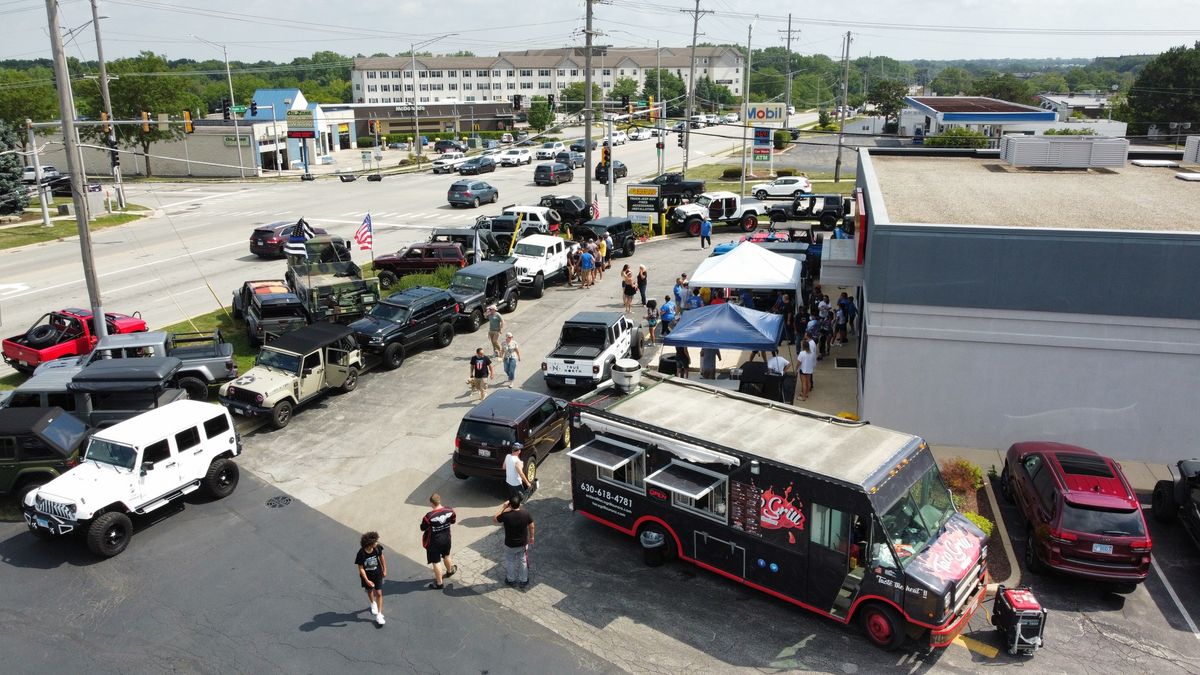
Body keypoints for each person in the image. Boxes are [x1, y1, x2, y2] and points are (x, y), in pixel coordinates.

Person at [494, 497, 535, 588]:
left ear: (510, 505)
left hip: (510, 544)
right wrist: (532, 537)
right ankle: (523, 580)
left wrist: (503, 508)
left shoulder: (506, 515)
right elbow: (531, 526)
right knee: (522, 561)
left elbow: (494, 519)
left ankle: (510, 580)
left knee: (510, 561)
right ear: (519, 504)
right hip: (522, 544)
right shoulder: (525, 514)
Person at [420, 494, 457, 590]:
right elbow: (453, 521)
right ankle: (450, 571)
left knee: (436, 562)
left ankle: (439, 583)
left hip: (434, 542)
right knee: (447, 555)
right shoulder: (450, 511)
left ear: (432, 503)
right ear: (440, 501)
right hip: (446, 538)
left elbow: (422, 528)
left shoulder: (429, 516)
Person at [355, 531, 388, 625]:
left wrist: (384, 570)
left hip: (377, 574)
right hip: (367, 576)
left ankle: (379, 614)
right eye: (375, 542)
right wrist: (367, 580)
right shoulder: (361, 553)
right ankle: (373, 603)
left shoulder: (377, 548)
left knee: (379, 593)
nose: (377, 543)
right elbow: (361, 568)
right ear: (370, 544)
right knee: (369, 591)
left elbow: (382, 557)